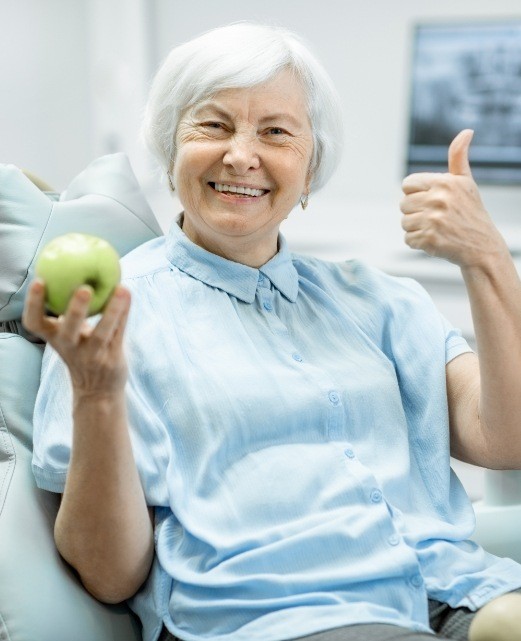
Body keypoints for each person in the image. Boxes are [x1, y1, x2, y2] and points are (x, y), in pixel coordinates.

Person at [23, 21, 521, 641]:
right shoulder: (112, 319)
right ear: (169, 148)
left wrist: (488, 260)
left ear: (309, 169)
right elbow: (111, 575)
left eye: (276, 132)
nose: (240, 155)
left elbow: (505, 438)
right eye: (213, 124)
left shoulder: (377, 299)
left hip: (448, 588)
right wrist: (96, 393)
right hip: (279, 616)